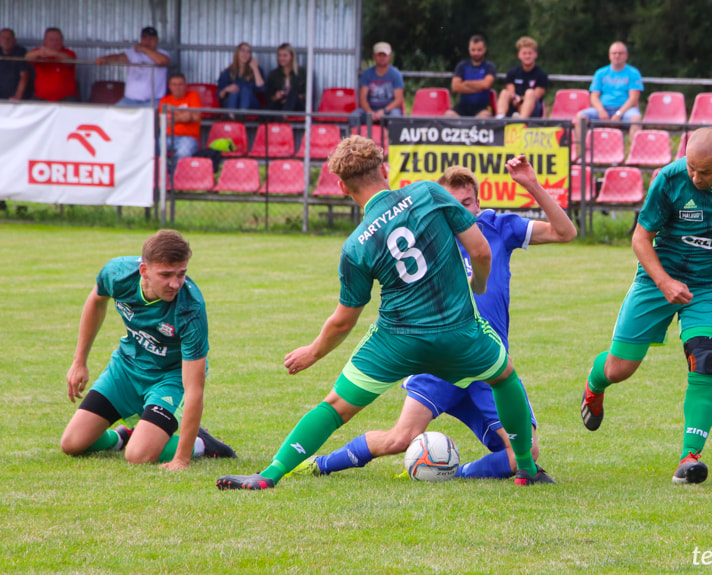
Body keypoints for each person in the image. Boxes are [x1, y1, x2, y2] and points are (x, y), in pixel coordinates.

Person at [217, 136, 555, 490]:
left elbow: (343, 320)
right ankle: (527, 469)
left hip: (397, 340)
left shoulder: (356, 246)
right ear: (384, 170)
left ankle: (269, 475)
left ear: (342, 187)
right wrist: (479, 285)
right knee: (504, 376)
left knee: (335, 408)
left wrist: (313, 351)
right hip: (459, 330)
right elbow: (481, 251)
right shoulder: (428, 193)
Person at [291, 158, 576, 480]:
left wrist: (531, 185)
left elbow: (565, 232)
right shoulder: (428, 235)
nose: (460, 211)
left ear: (478, 203)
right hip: (437, 359)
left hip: (484, 359)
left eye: (467, 203)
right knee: (401, 438)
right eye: (451, 204)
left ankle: (451, 472)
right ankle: (320, 464)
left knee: (525, 453)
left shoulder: (497, 227)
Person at [579, 127, 712, 485]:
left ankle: (690, 457)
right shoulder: (670, 180)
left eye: (705, 172)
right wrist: (665, 282)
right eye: (691, 169)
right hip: (658, 277)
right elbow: (640, 238)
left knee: (706, 357)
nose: (695, 177)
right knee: (620, 368)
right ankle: (595, 384)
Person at [60, 230, 236, 470]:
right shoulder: (118, 273)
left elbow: (194, 388)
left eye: (181, 274)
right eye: (166, 275)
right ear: (144, 271)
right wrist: (79, 361)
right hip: (126, 369)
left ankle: (201, 444)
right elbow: (96, 300)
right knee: (72, 444)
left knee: (138, 455)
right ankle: (122, 436)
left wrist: (182, 459)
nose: (175, 283)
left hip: (169, 378)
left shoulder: (190, 309)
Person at [574, 41, 643, 145]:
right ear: (609, 56)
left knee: (636, 119)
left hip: (625, 111)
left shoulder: (633, 73)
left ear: (626, 56)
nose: (617, 56)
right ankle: (581, 154)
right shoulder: (600, 73)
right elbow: (594, 96)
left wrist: (619, 113)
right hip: (603, 109)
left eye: (620, 53)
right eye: (614, 53)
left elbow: (634, 98)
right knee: (580, 117)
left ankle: (635, 156)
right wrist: (601, 111)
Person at [96, 26, 170, 107]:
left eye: (151, 39)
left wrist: (144, 49)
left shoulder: (163, 53)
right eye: (145, 38)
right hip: (129, 100)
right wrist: (105, 59)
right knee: (112, 114)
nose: (148, 41)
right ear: (141, 39)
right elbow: (119, 57)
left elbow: (162, 61)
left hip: (153, 101)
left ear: (157, 41)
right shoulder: (132, 52)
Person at [351, 42, 404, 125]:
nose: (382, 58)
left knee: (396, 115)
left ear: (389, 57)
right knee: (355, 115)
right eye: (379, 55)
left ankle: (393, 138)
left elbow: (399, 100)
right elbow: (362, 99)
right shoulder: (367, 74)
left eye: (385, 55)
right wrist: (370, 112)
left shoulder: (396, 74)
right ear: (374, 56)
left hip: (388, 111)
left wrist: (384, 111)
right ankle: (355, 137)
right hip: (370, 110)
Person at [495, 36, 547, 119]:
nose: (527, 56)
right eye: (524, 53)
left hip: (532, 108)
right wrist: (516, 100)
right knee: (504, 93)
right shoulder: (512, 72)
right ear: (519, 55)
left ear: (535, 55)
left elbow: (537, 95)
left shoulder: (541, 74)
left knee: (530, 92)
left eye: (530, 53)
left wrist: (521, 100)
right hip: (515, 103)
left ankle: (521, 120)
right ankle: (500, 118)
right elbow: (510, 91)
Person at [444, 35, 496, 118]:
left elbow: (486, 84)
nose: (476, 53)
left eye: (479, 50)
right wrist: (478, 86)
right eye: (473, 50)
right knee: (449, 115)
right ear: (469, 50)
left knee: (485, 116)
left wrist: (466, 83)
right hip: (463, 107)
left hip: (482, 107)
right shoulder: (462, 66)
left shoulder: (489, 66)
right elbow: (455, 87)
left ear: (484, 50)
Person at [159, 73, 202, 172]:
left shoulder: (193, 96)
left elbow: (195, 117)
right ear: (169, 86)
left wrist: (174, 110)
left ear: (185, 85)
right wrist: (184, 115)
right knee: (153, 148)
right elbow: (162, 123)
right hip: (168, 137)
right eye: (174, 84)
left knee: (183, 153)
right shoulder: (165, 100)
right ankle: (162, 178)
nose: (177, 87)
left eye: (180, 84)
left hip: (189, 137)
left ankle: (175, 180)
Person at [24, 27, 78, 102]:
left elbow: (69, 61)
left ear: (62, 40)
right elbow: (27, 58)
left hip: (66, 98)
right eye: (51, 40)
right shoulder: (39, 52)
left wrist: (53, 53)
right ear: (45, 41)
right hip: (40, 98)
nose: (55, 43)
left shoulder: (69, 53)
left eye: (58, 40)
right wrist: (38, 53)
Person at [217, 42, 265, 110]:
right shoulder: (227, 72)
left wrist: (255, 69)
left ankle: (242, 115)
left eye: (248, 52)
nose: (245, 54)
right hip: (232, 102)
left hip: (250, 104)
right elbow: (220, 96)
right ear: (237, 53)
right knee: (235, 90)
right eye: (242, 50)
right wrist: (227, 89)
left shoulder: (256, 69)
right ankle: (231, 116)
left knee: (245, 89)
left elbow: (262, 88)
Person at [264, 42, 306, 112]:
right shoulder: (273, 74)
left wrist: (289, 98)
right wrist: (276, 97)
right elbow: (268, 97)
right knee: (267, 109)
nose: (281, 58)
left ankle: (283, 116)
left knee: (293, 93)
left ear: (292, 56)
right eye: (279, 55)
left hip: (297, 105)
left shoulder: (302, 72)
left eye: (285, 55)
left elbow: (307, 95)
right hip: (280, 104)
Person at [0, 28, 31, 100]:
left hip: (16, 96)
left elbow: (24, 76)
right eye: (3, 38)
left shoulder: (21, 52)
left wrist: (18, 96)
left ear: (15, 40)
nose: (6, 40)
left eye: (9, 38)